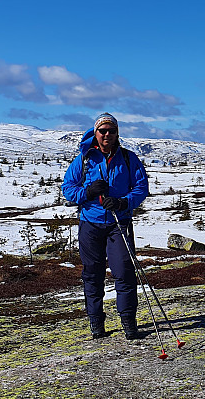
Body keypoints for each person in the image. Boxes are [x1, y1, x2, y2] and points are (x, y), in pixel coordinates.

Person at [62, 112, 149, 339]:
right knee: (92, 274)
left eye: (111, 130)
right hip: (90, 223)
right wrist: (87, 192)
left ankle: (129, 322)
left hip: (119, 222)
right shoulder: (84, 159)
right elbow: (68, 188)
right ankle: (96, 323)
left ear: (117, 132)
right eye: (102, 131)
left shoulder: (129, 159)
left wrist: (123, 202)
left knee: (124, 272)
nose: (107, 134)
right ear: (96, 133)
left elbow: (141, 188)